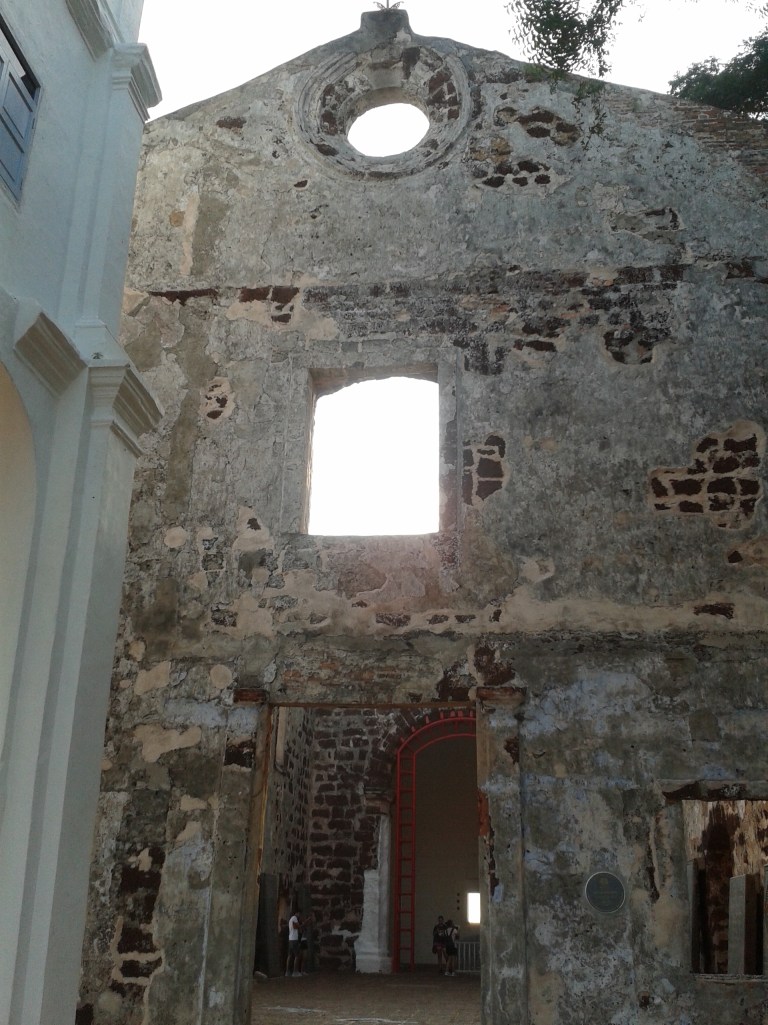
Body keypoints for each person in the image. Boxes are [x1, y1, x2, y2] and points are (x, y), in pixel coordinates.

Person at [285, 910, 304, 977]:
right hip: (294, 940)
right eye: (299, 914)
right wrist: (303, 924)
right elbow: (297, 926)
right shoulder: (294, 918)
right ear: (297, 913)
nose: (300, 916)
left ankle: (287, 972)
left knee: (289, 955)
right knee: (297, 955)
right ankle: (295, 972)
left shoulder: (290, 919)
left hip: (290, 939)